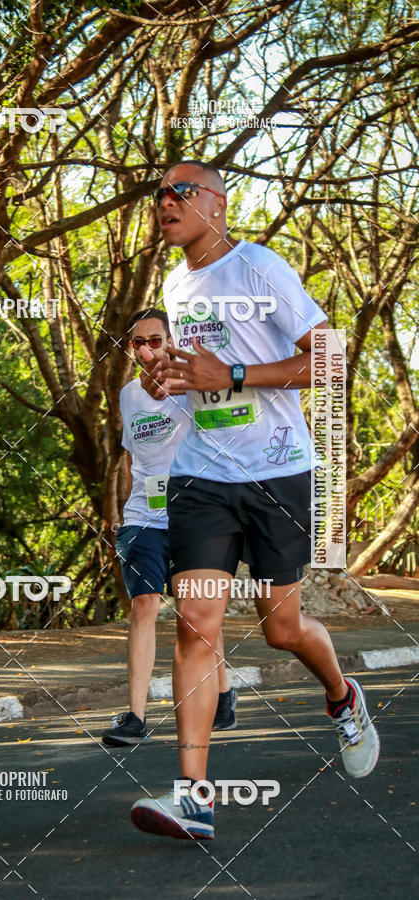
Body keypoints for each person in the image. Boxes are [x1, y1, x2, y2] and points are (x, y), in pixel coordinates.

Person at [130, 161, 379, 840]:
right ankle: (195, 797)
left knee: (281, 628)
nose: (164, 203)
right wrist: (172, 384)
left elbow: (330, 361)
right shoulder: (176, 286)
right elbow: (201, 380)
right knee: (197, 625)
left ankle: (342, 694)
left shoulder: (259, 267)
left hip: (277, 474)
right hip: (202, 477)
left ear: (217, 201)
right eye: (158, 196)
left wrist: (234, 373)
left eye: (179, 191)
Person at [102, 308, 237, 747]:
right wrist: (127, 508)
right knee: (144, 605)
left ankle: (222, 692)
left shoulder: (194, 386)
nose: (146, 349)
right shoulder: (126, 395)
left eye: (155, 340)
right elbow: (130, 457)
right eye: (137, 342)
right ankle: (135, 717)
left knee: (195, 618)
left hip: (194, 516)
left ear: (170, 341)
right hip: (144, 518)